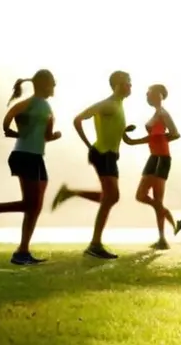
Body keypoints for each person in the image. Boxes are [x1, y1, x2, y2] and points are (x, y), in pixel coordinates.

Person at [0, 70, 60, 265]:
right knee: (31, 204)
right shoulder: (38, 105)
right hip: (25, 156)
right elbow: (44, 134)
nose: (54, 88)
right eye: (52, 84)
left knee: (35, 206)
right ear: (44, 84)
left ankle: (22, 251)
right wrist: (53, 135)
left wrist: (13, 131)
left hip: (33, 157)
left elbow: (9, 122)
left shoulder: (33, 105)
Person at [51, 70, 131, 260]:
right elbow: (78, 119)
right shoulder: (108, 104)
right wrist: (88, 145)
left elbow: (110, 128)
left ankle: (70, 193)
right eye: (128, 82)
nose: (130, 86)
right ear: (118, 84)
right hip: (102, 154)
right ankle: (95, 244)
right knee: (111, 197)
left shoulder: (118, 104)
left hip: (110, 156)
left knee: (111, 197)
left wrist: (124, 130)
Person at [121, 84, 181, 249]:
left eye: (149, 93)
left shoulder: (163, 113)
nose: (146, 95)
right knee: (141, 195)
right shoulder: (156, 114)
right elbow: (155, 138)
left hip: (162, 158)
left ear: (159, 94)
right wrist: (132, 141)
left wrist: (155, 140)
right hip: (154, 157)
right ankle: (172, 225)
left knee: (156, 199)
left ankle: (163, 239)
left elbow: (175, 133)